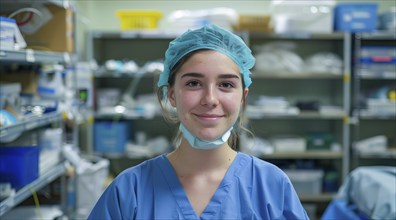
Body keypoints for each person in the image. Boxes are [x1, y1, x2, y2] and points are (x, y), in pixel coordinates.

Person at [88, 24, 309, 220]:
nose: (210, 99)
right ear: (172, 94)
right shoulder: (129, 191)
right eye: (194, 83)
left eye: (226, 85)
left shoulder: (271, 187)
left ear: (243, 97)